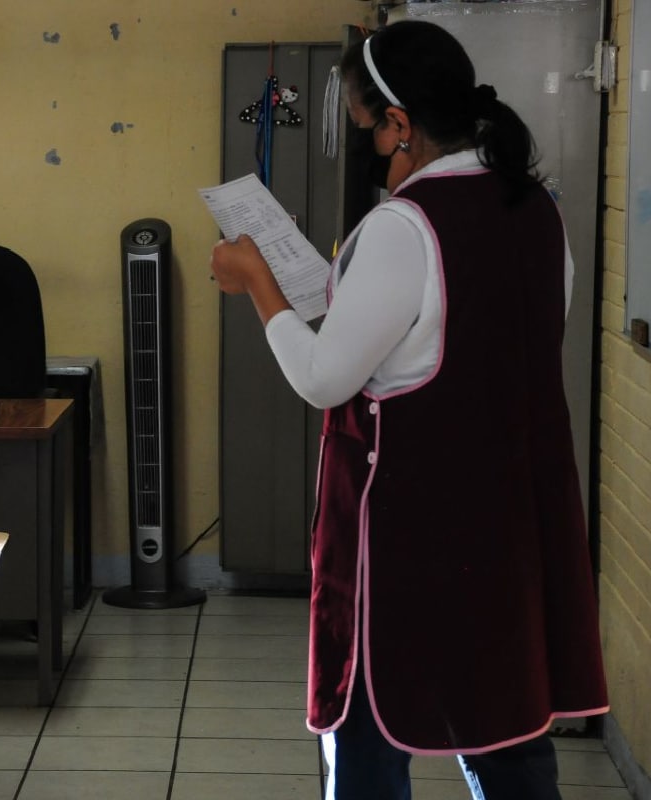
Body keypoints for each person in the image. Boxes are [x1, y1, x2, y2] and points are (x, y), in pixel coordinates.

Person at [210, 20, 608, 800]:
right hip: (508, 525)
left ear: (400, 125)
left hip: (408, 536)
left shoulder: (405, 224)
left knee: (366, 732)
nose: (366, 151)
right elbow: (463, 336)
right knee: (504, 728)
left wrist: (259, 285)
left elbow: (326, 379)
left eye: (365, 131)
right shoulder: (537, 210)